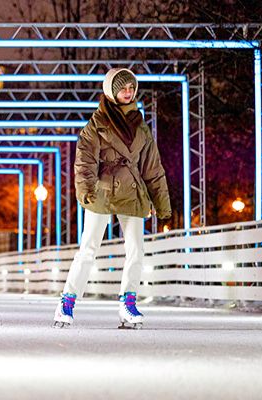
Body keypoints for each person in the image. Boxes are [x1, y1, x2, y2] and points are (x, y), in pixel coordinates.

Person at [53, 68, 171, 329]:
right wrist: (85, 189)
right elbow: (84, 161)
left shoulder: (141, 126)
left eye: (131, 88)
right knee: (88, 249)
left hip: (132, 193)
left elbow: (152, 167)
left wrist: (161, 203)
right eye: (123, 88)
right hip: (102, 192)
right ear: (111, 91)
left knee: (136, 250)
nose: (128, 93)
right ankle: (67, 300)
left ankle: (128, 303)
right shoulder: (96, 125)